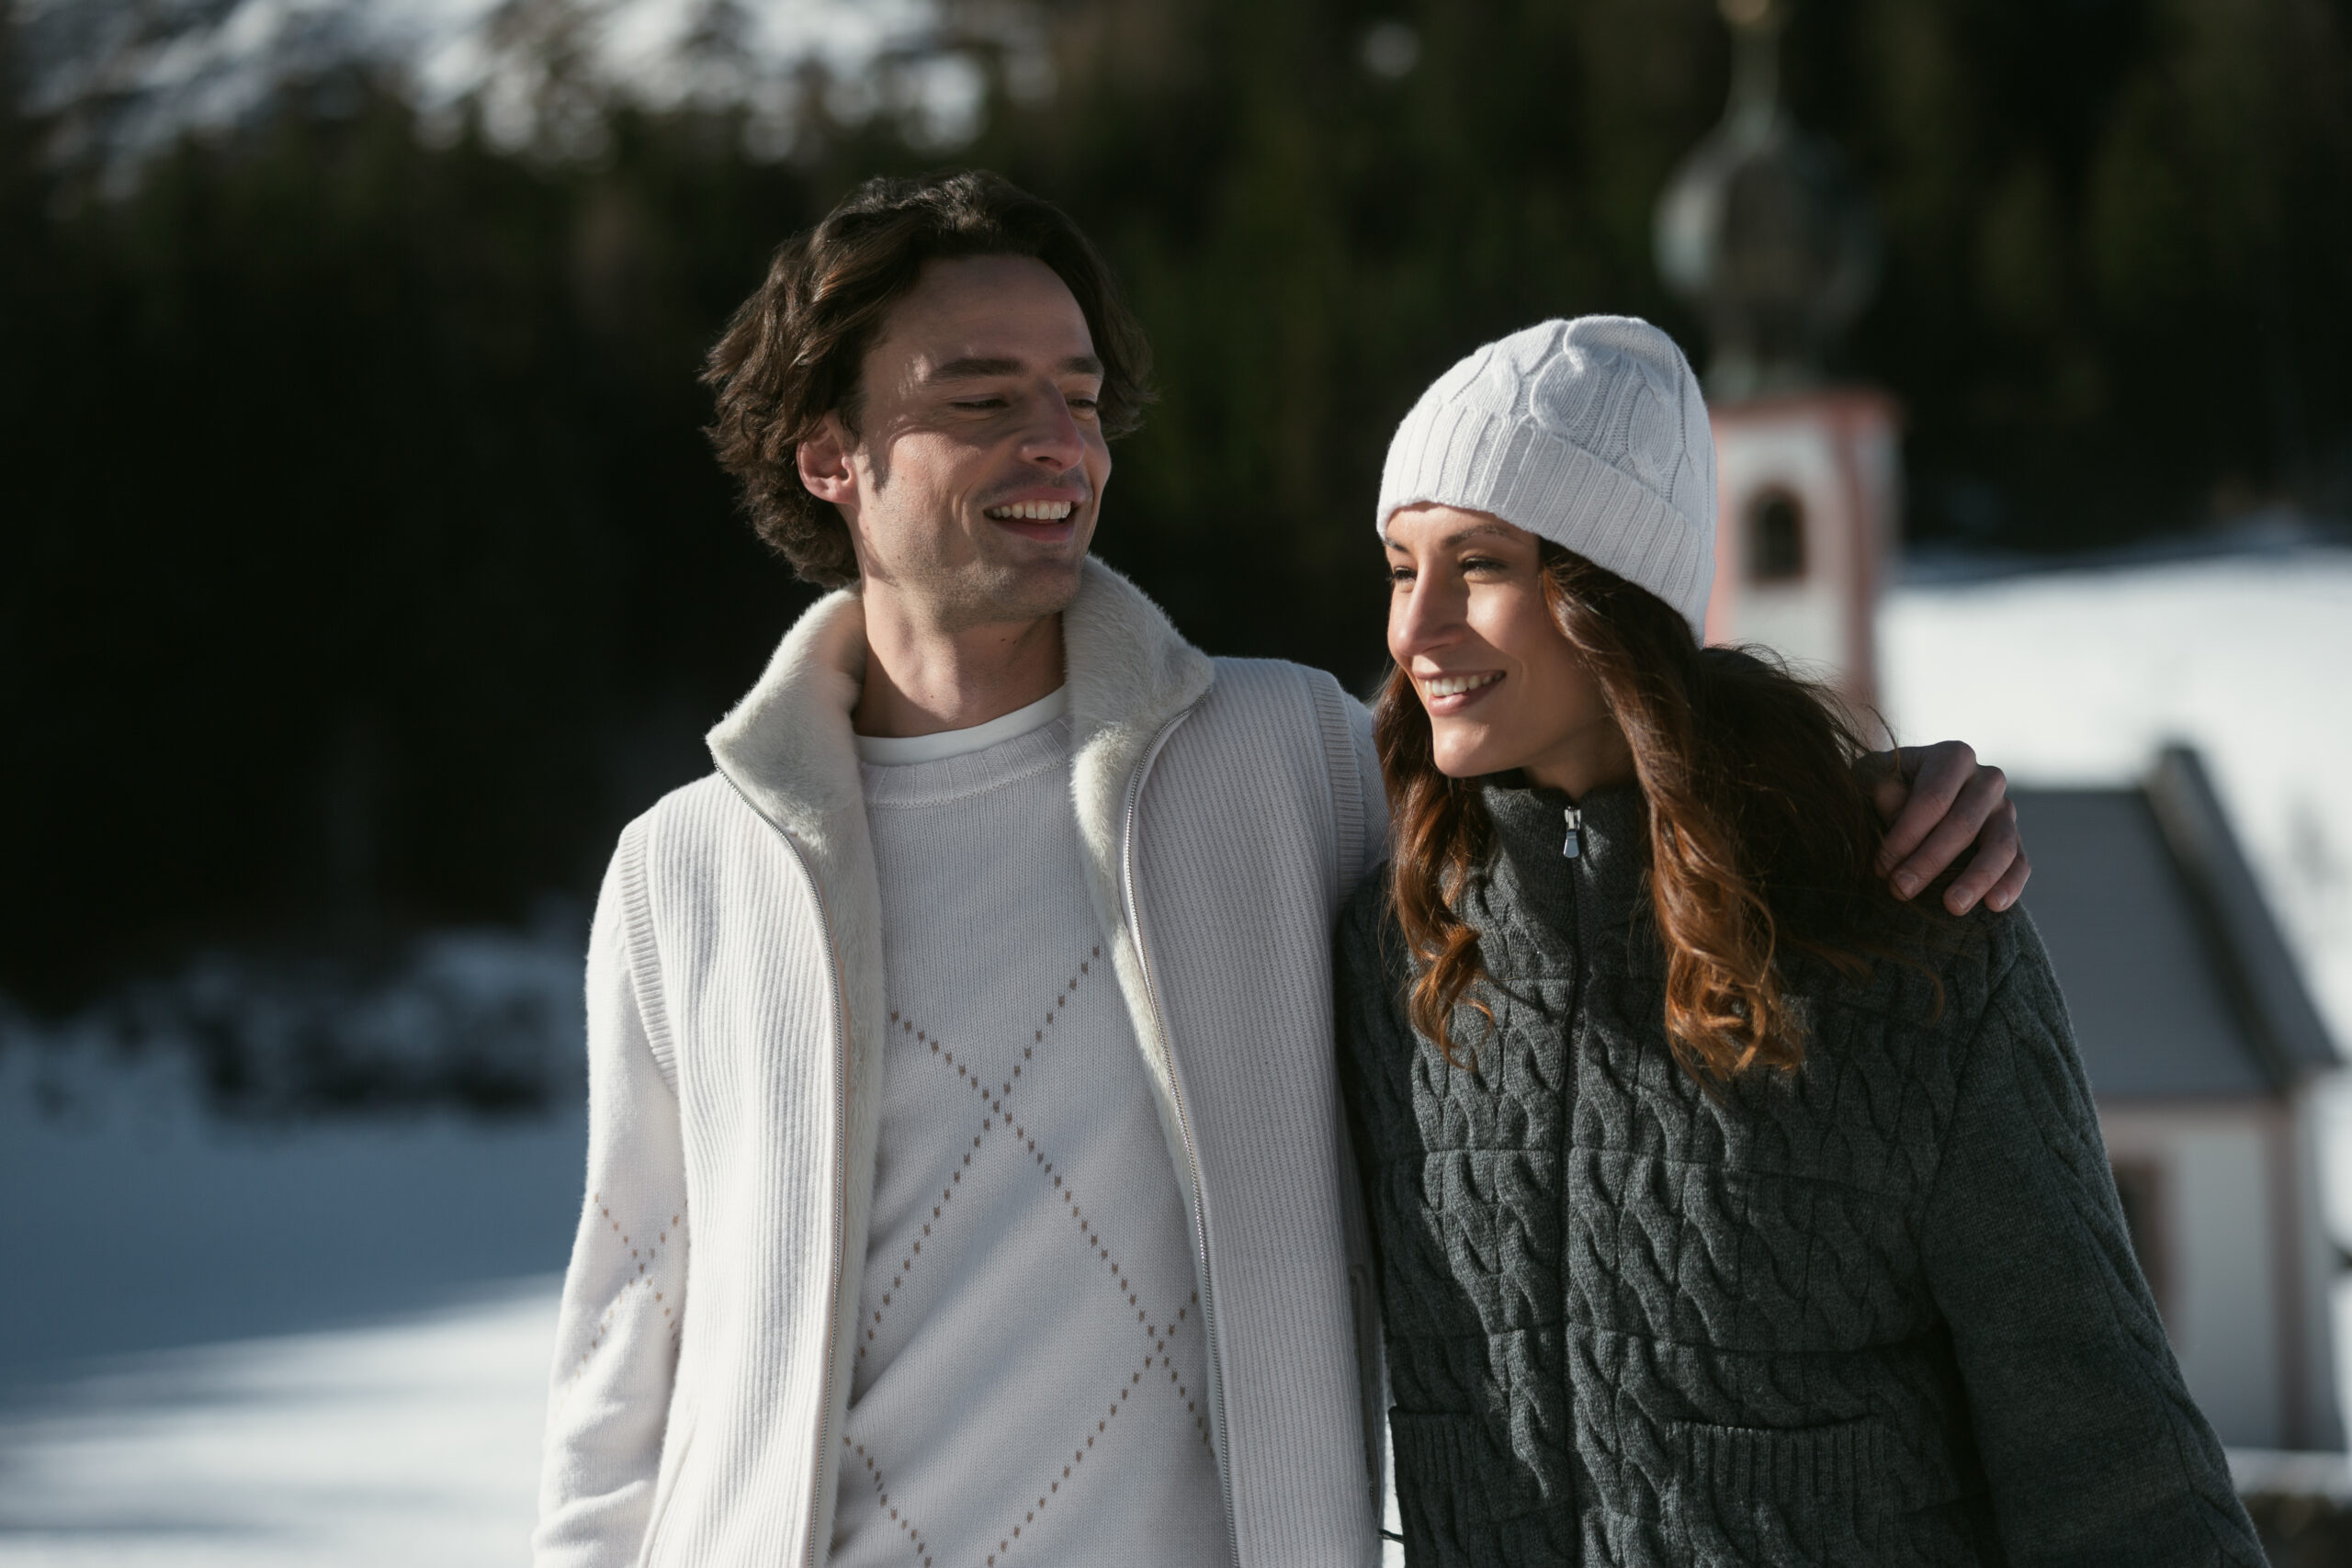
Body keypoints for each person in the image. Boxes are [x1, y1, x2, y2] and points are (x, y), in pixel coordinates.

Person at [532, 173, 2028, 1568]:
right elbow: (624, 1348)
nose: (1059, 442)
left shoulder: (1286, 757)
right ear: (828, 457)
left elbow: (1595, 811)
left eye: (1080, 398)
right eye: (982, 399)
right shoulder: (688, 873)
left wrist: (1856, 802)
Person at [1334, 316, 2261, 1567]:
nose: (1417, 629)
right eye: (1403, 569)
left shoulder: (1894, 940)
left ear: (1611, 596)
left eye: (1479, 566)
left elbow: (2111, 1460)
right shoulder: (1391, 953)